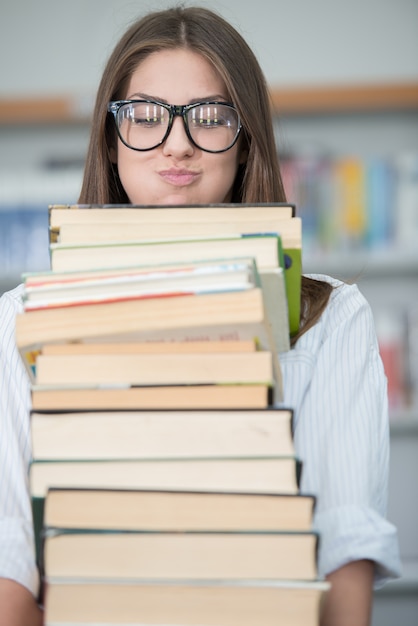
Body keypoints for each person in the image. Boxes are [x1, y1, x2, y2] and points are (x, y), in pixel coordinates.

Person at [0, 5, 401, 625]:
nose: (178, 144)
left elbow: (347, 537)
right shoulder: (25, 320)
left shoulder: (330, 319)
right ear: (110, 141)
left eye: (211, 118)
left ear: (246, 144)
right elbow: (10, 554)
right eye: (145, 116)